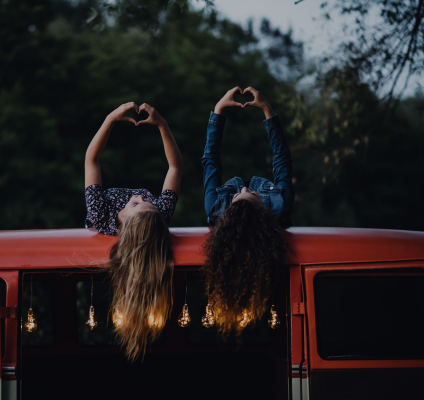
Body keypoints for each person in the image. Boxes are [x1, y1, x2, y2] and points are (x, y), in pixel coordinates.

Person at [84, 102, 183, 360]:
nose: (140, 196)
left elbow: (91, 160)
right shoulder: (159, 215)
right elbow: (175, 168)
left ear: (124, 224)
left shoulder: (100, 214)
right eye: (146, 201)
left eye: (138, 203)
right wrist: (162, 124)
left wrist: (109, 120)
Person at [201, 87, 292, 337]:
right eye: (251, 192)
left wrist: (218, 111)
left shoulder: (215, 207)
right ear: (264, 209)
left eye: (239, 192)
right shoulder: (280, 207)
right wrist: (267, 111)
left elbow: (210, 160)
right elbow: (281, 159)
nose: (243, 186)